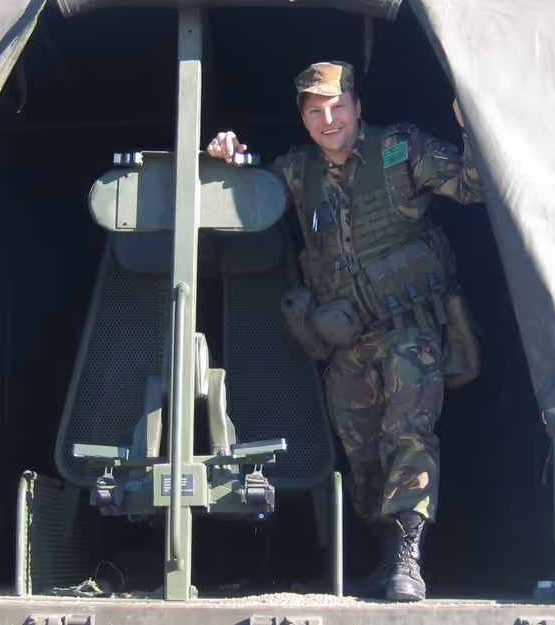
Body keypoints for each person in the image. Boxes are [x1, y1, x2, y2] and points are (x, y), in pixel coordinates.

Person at [205, 61, 484, 602]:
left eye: (337, 106)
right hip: (347, 343)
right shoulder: (296, 171)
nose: (328, 119)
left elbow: (475, 186)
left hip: (410, 331)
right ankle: (384, 557)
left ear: (357, 106)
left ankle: (408, 559)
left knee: (410, 436)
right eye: (315, 111)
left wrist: (473, 126)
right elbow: (246, 201)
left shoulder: (402, 150)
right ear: (304, 120)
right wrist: (226, 157)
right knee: (362, 457)